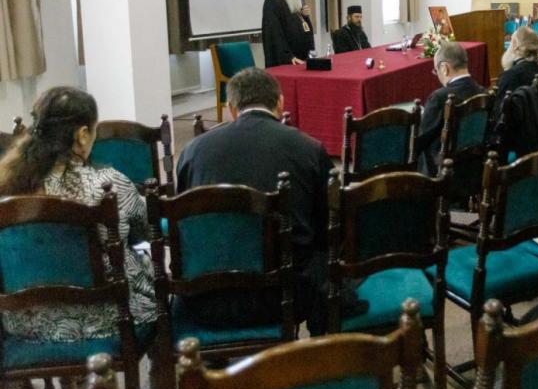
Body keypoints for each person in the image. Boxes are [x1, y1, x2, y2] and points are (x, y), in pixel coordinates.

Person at [175, 68, 335, 331]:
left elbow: (183, 221)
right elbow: (327, 225)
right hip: (284, 295)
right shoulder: (308, 148)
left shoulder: (193, 151)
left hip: (206, 295)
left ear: (231, 108)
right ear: (280, 103)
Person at [0, 87, 157, 341]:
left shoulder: (8, 189)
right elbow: (148, 229)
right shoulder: (108, 185)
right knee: (148, 269)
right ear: (83, 135)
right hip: (102, 320)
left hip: (25, 323)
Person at [415, 42, 484, 175]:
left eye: (436, 71)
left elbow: (420, 140)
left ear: (444, 68)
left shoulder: (440, 98)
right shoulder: (483, 92)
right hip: (474, 168)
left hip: (442, 172)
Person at [262, 0, 314, 67]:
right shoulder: (272, 0)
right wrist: (288, 56)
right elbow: (274, 34)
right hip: (288, 60)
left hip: (301, 57)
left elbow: (297, 24)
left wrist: (304, 16)